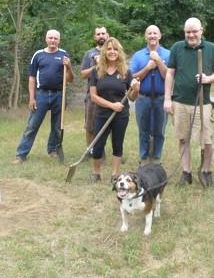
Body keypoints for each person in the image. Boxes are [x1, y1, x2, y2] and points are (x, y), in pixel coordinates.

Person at [164, 18, 214, 187]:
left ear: (201, 31)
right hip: (180, 102)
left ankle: (206, 171)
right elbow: (170, 74)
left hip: (202, 103)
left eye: (194, 31)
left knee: (207, 140)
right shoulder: (177, 48)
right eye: (188, 32)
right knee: (183, 139)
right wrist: (168, 99)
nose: (191, 35)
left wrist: (207, 79)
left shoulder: (210, 48)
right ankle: (186, 172)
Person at [15, 29, 75, 163]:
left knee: (57, 126)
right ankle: (21, 154)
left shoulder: (64, 55)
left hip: (59, 95)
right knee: (32, 126)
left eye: (55, 38)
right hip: (41, 95)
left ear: (59, 40)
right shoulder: (38, 55)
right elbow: (31, 78)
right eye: (50, 38)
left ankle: (52, 150)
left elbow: (71, 79)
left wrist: (69, 66)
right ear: (46, 39)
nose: (53, 40)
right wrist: (32, 98)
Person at [88, 37, 139, 181]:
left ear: (119, 52)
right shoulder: (96, 71)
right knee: (98, 145)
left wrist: (136, 88)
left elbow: (133, 97)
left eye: (115, 49)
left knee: (117, 144)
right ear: (104, 51)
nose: (112, 52)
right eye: (109, 49)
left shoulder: (125, 72)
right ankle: (96, 173)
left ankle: (115, 175)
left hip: (121, 116)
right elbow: (93, 96)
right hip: (102, 114)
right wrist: (112, 105)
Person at [129, 25, 170, 164]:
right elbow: (131, 76)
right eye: (149, 33)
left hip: (161, 98)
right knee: (143, 130)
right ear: (145, 37)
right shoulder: (138, 55)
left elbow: (168, 76)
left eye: (155, 33)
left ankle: (156, 158)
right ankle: (144, 158)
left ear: (160, 36)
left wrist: (158, 61)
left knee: (159, 130)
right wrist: (147, 67)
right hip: (143, 98)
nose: (152, 36)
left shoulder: (167, 54)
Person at [80, 26, 109, 156]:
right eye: (98, 34)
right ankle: (89, 150)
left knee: (108, 125)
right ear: (95, 37)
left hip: (110, 95)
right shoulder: (89, 54)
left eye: (103, 33)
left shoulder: (113, 51)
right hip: (92, 95)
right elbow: (83, 74)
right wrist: (96, 66)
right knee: (90, 125)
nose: (101, 36)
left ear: (107, 35)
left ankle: (102, 151)